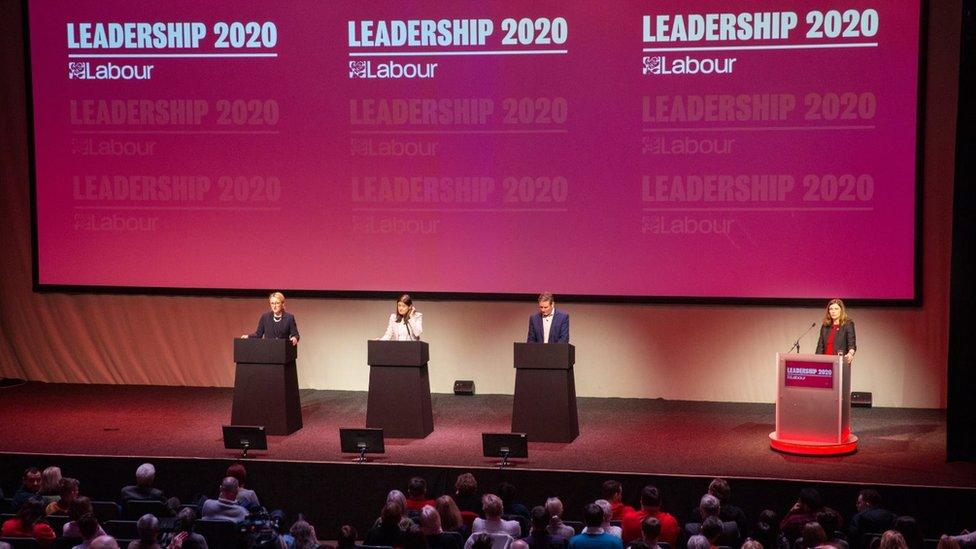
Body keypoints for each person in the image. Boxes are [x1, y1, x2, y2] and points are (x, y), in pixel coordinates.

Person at [815, 299, 857, 364]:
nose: (833, 311)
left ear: (841, 310)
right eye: (831, 309)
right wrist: (816, 362)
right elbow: (820, 347)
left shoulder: (848, 324)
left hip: (840, 362)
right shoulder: (825, 326)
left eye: (836, 309)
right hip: (825, 362)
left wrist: (850, 354)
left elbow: (851, 344)